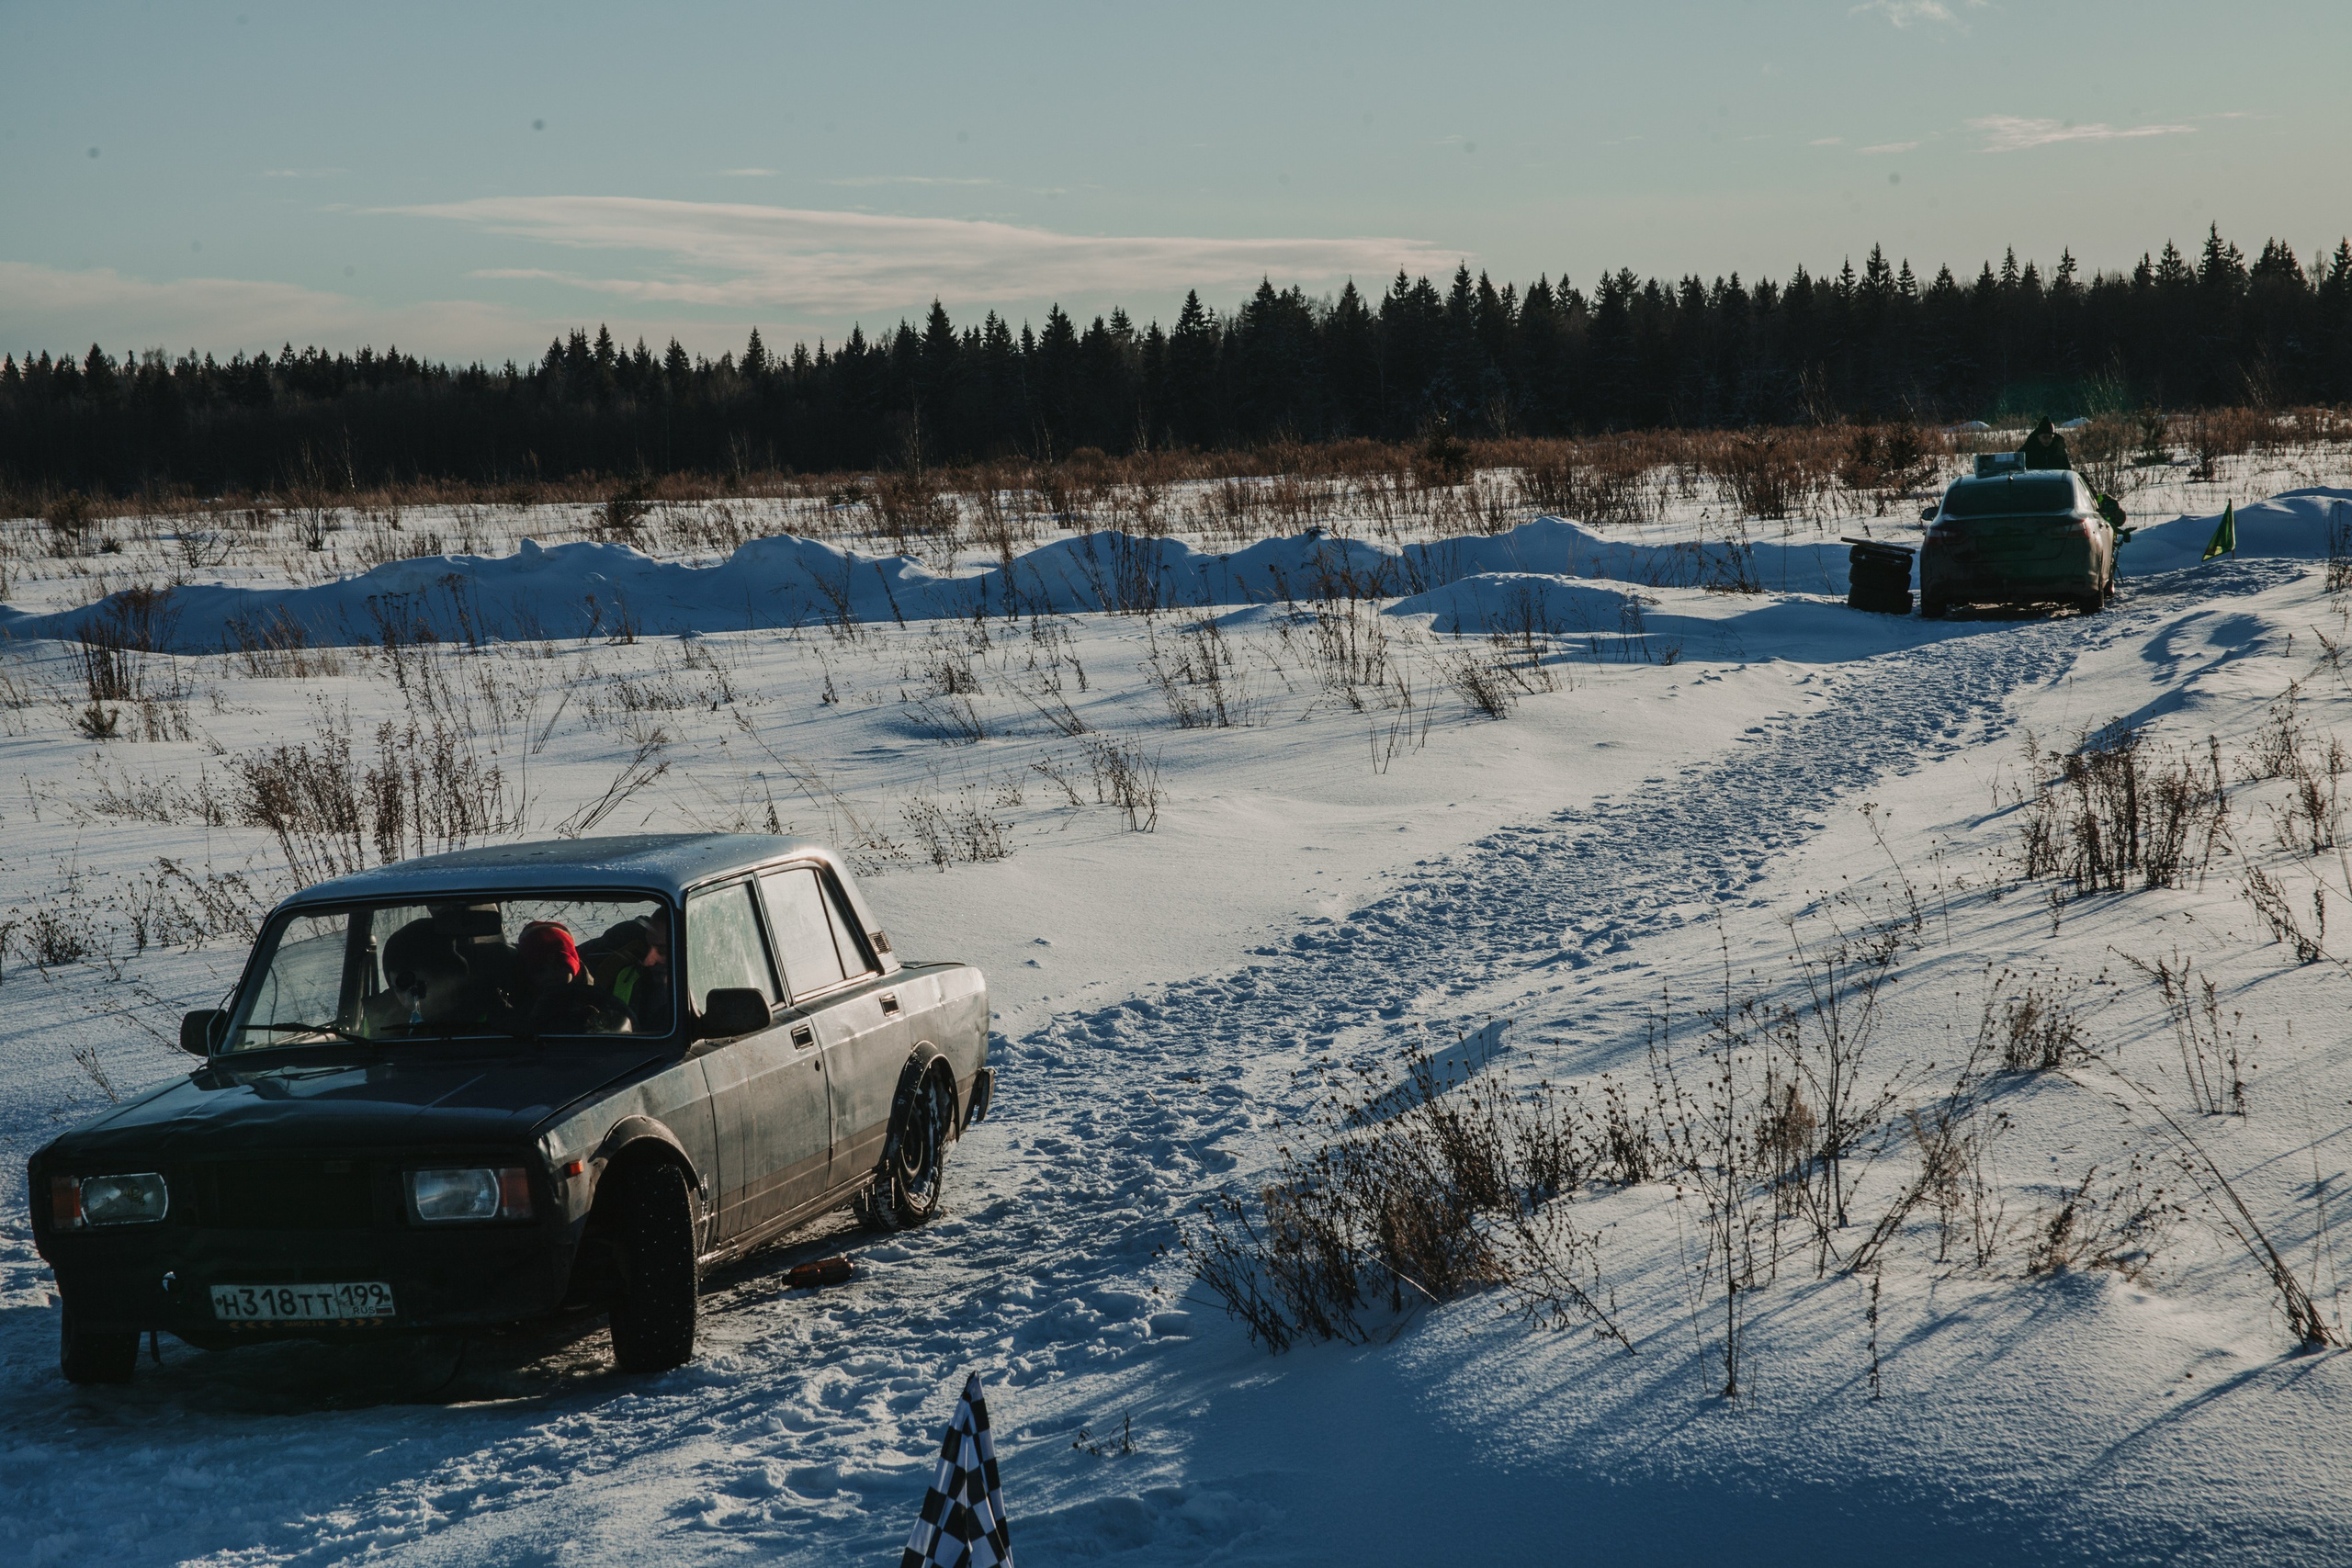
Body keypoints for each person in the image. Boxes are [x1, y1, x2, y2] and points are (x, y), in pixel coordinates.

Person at [514, 920, 632, 1035]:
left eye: (559, 966)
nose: (550, 975)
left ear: (574, 965)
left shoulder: (600, 995)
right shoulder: (519, 1001)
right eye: (540, 970)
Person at [582, 915, 673, 1033]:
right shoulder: (627, 937)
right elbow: (578, 957)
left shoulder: (692, 984)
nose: (647, 961)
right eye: (647, 947)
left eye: (662, 951)